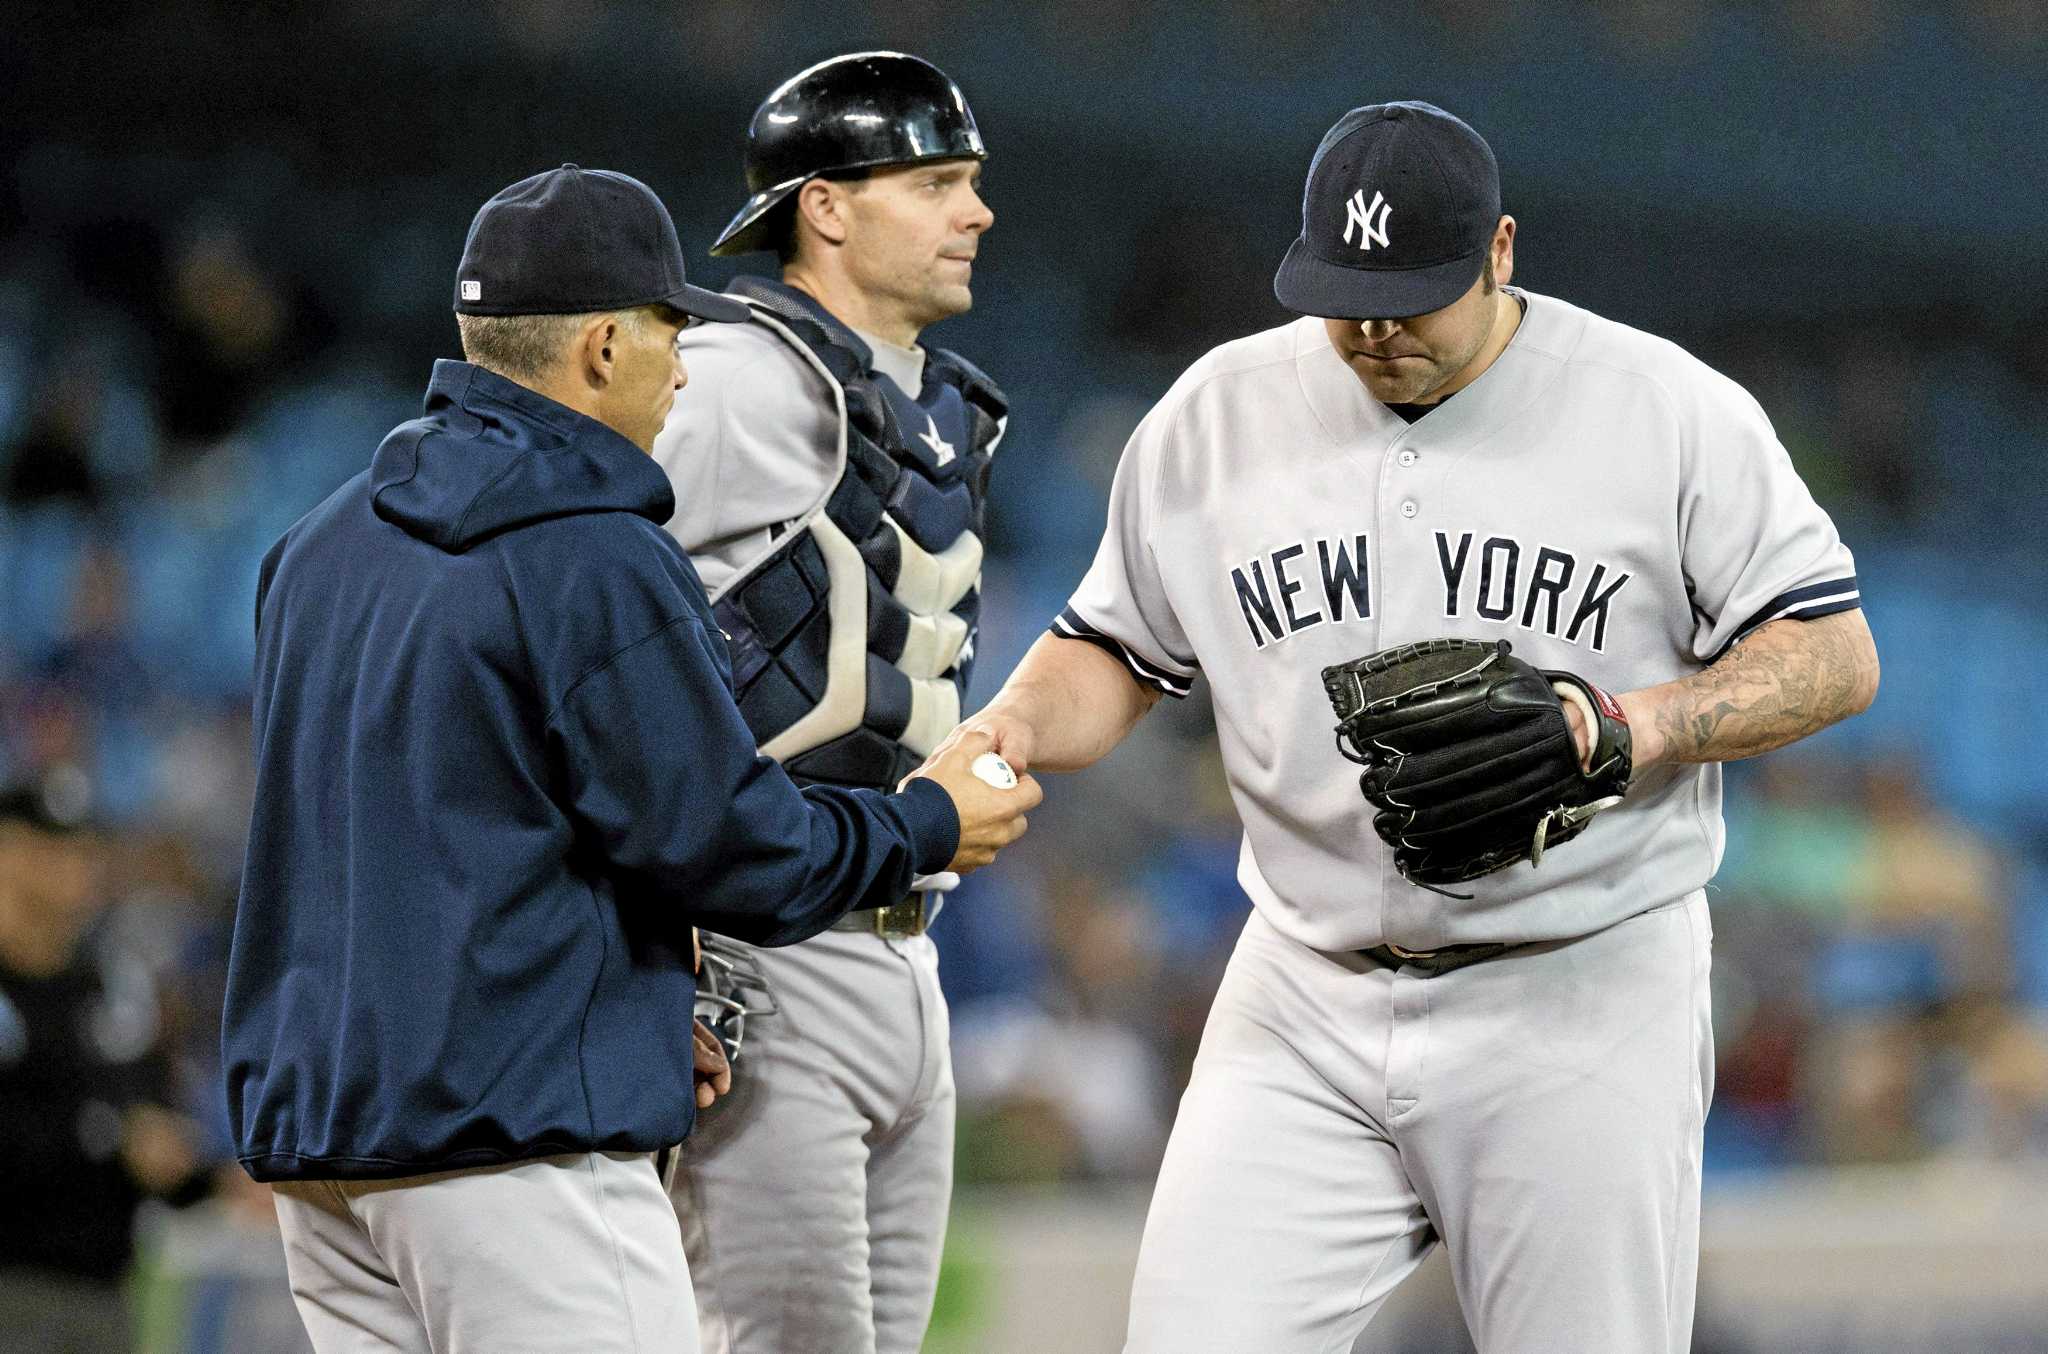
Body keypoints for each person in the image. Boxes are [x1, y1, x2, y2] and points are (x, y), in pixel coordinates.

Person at [946, 101, 1880, 1353]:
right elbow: (1113, 650)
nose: (1375, 331)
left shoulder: (1661, 410)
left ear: (1498, 253)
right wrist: (1000, 731)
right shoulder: (1212, 415)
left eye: (1410, 299)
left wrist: (1624, 726)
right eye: (1345, 298)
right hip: (1302, 990)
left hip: (1578, 982)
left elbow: (1831, 653)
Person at [220, 164, 1036, 1354]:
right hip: (515, 1151)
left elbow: (447, 831)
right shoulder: (590, 545)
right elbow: (733, 845)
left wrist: (633, 1000)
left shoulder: (321, 540)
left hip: (328, 1156)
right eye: (670, 332)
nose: (682, 367)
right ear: (601, 346)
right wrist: (921, 822)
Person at [647, 51, 1000, 1354]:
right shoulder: (741, 379)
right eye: (940, 182)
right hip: (764, 951)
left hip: (911, 949)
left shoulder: (936, 405)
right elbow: (585, 631)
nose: (977, 211)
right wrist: (648, 929)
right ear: (829, 206)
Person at [0, 766, 209, 1354]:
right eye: (47, 846)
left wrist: (195, 1172)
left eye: (79, 847)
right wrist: (109, 1140)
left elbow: (158, 1126)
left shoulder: (113, 987)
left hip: (106, 1292)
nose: (71, 865)